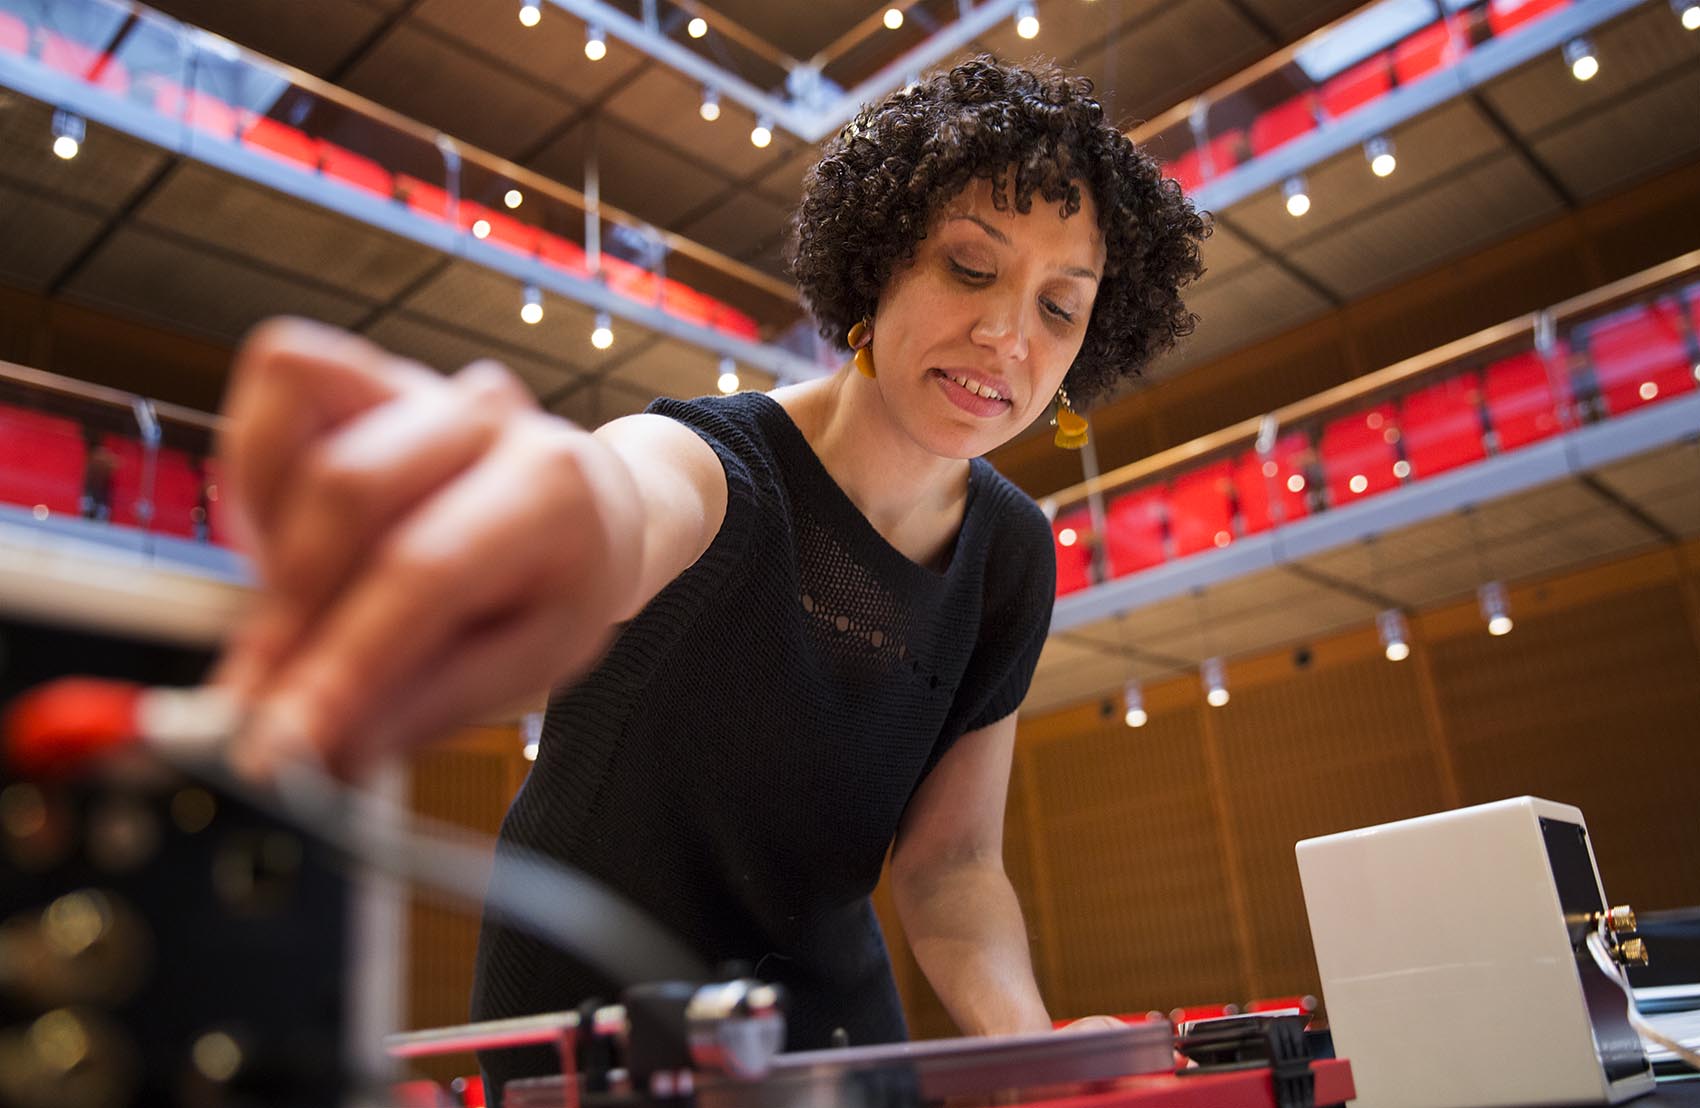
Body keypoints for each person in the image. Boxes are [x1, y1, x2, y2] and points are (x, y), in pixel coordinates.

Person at [214, 57, 1207, 1097]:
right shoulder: (715, 466)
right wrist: (561, 507)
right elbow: (625, 494)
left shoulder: (1009, 558)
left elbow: (951, 866)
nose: (1007, 336)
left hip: (825, 1035)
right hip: (589, 1017)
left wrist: (1037, 1054)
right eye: (969, 267)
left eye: (1059, 307)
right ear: (878, 264)